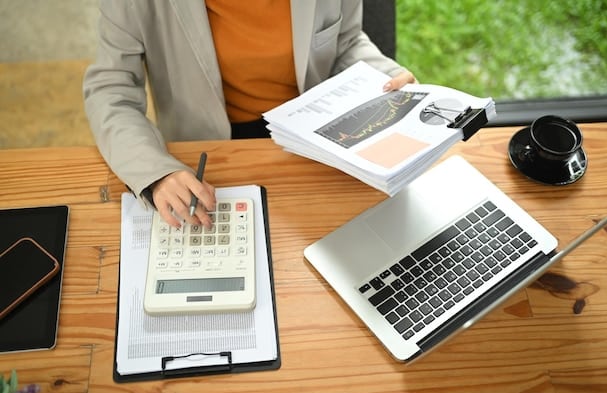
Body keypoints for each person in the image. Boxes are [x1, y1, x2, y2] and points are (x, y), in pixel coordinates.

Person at [83, 1, 415, 228]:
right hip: (211, 154)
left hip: (315, 140)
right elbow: (112, 91)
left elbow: (345, 42)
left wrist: (385, 77)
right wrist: (156, 172)